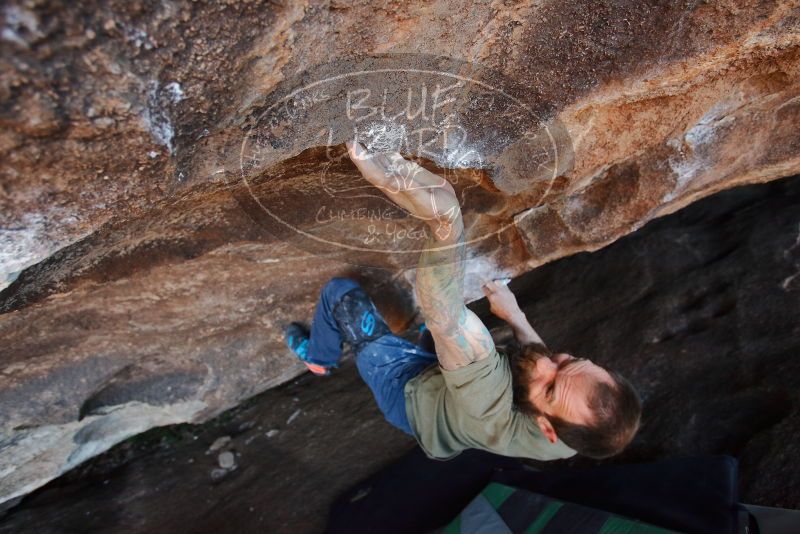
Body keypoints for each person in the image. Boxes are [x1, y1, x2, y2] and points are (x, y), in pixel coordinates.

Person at [283, 141, 642, 460]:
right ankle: (439, 361)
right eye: (567, 360)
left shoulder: (488, 404)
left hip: (410, 397)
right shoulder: (576, 436)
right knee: (437, 335)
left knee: (340, 295)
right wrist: (515, 317)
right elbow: (548, 371)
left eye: (548, 388)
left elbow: (447, 317)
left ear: (547, 429)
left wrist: (446, 224)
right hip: (449, 395)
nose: (546, 364)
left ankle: (319, 358)